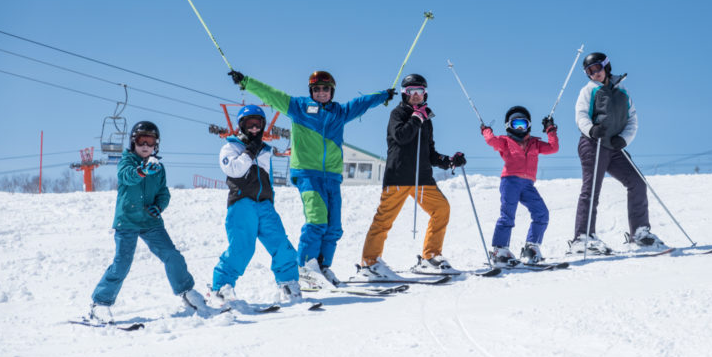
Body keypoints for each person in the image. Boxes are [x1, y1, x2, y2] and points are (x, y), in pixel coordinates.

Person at [228, 69, 393, 288]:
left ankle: (322, 267)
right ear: (311, 91)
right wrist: (247, 82)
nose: (321, 92)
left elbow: (361, 103)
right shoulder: (299, 108)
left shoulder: (339, 112)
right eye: (317, 89)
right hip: (307, 173)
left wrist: (383, 96)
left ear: (332, 91)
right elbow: (271, 94)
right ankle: (305, 268)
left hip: (332, 176)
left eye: (326, 89)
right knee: (316, 219)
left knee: (334, 226)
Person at [89, 121, 206, 323]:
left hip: (151, 221)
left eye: (150, 142)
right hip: (128, 220)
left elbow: (164, 193)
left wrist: (159, 206)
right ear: (133, 142)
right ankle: (100, 303)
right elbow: (127, 177)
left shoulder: (158, 168)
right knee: (122, 263)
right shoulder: (126, 161)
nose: (145, 146)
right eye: (141, 141)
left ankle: (186, 292)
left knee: (172, 255)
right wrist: (142, 171)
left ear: (156, 145)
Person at [355, 73, 467, 280]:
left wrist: (449, 161)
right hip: (398, 177)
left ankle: (431, 256)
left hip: (422, 178)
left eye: (420, 92)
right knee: (384, 221)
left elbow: (430, 153)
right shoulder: (398, 114)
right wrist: (416, 118)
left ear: (425, 94)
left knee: (441, 209)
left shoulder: (426, 120)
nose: (416, 96)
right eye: (411, 92)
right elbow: (401, 136)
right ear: (405, 94)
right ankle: (370, 263)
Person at [569, 52, 665, 254]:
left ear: (606, 66)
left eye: (597, 68)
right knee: (592, 188)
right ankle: (583, 238)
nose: (594, 74)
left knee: (637, 182)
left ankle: (640, 234)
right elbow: (581, 115)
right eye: (589, 71)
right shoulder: (589, 91)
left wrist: (624, 139)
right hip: (592, 144)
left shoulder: (623, 91)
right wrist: (592, 130)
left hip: (614, 146)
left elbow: (632, 120)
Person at [209, 105, 302, 306]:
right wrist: (249, 151)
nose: (254, 128)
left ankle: (288, 283)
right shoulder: (230, 147)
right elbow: (235, 170)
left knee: (281, 244)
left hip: (265, 205)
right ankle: (221, 287)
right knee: (242, 247)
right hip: (242, 203)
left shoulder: (265, 150)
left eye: (258, 124)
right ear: (241, 125)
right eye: (249, 124)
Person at [481, 105, 559, 266]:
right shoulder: (505, 141)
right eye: (516, 124)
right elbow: (491, 140)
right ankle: (499, 250)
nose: (520, 128)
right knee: (507, 215)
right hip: (510, 182)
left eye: (523, 124)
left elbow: (553, 148)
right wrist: (486, 130)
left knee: (541, 213)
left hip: (528, 185)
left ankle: (532, 247)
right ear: (509, 126)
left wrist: (550, 130)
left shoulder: (535, 143)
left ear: (528, 125)